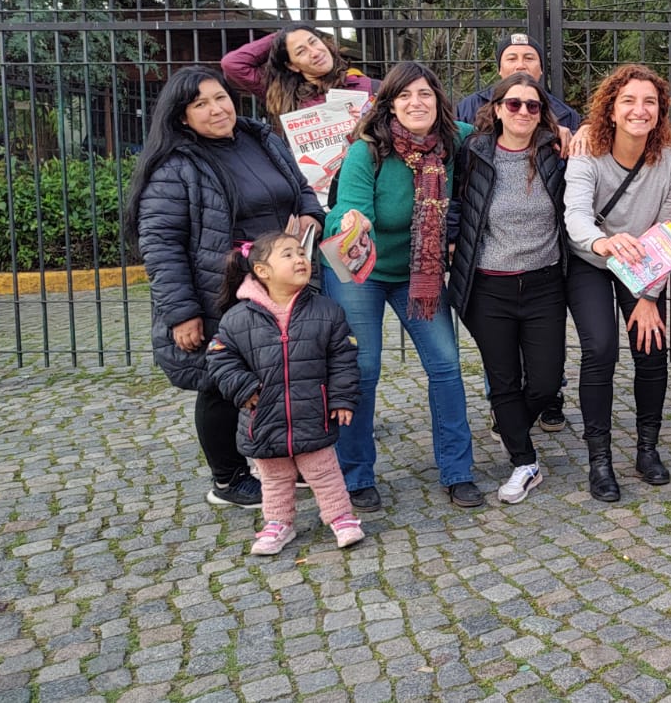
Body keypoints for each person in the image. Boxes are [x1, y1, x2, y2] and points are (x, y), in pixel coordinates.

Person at [125, 66, 325, 509]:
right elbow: (160, 245)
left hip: (283, 282)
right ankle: (228, 478)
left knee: (281, 373)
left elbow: (302, 189)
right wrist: (182, 312)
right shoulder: (176, 167)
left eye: (220, 97)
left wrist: (312, 213)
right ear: (182, 117)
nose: (217, 109)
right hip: (221, 289)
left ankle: (282, 460)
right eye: (201, 104)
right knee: (219, 382)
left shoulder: (261, 139)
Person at [325, 62, 480, 511]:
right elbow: (345, 208)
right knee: (364, 368)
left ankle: (458, 471)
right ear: (389, 103)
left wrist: (568, 133)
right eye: (406, 95)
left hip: (421, 273)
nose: (417, 103)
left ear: (438, 102)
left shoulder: (455, 142)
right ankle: (355, 476)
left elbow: (508, 129)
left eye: (426, 95)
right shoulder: (367, 152)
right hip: (364, 272)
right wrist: (349, 219)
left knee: (447, 365)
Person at [563, 65, 671, 500]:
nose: (640, 109)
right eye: (629, 101)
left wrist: (649, 295)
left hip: (646, 264)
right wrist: (603, 244)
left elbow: (669, 227)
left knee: (651, 348)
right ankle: (600, 461)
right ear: (611, 110)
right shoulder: (587, 155)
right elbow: (575, 214)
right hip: (592, 260)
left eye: (649, 102)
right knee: (600, 349)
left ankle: (647, 449)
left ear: (660, 111)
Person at [448, 73, 567, 506]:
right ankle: (524, 460)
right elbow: (458, 203)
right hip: (489, 285)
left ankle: (510, 423)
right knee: (503, 377)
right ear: (496, 109)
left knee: (546, 379)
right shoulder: (474, 152)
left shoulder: (555, 152)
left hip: (544, 282)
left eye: (532, 106)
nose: (522, 112)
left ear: (542, 113)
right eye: (513, 104)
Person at [205, 231, 364, 555]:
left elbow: (343, 357)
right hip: (263, 417)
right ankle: (278, 523)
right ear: (262, 271)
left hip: (312, 414)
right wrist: (243, 387)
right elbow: (219, 358)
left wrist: (342, 397)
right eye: (288, 255)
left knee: (324, 471)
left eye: (301, 254)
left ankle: (341, 517)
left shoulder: (326, 311)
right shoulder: (238, 318)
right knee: (274, 477)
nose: (300, 260)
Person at [221, 25, 377, 117]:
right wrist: (285, 34)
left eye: (313, 42)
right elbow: (232, 63)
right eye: (301, 51)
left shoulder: (372, 86)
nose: (315, 52)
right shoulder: (284, 94)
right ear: (291, 65)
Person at [456, 31, 582, 137]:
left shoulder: (565, 115)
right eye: (512, 59)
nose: (521, 66)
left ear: (541, 69)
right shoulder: (469, 107)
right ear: (499, 69)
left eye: (529, 58)